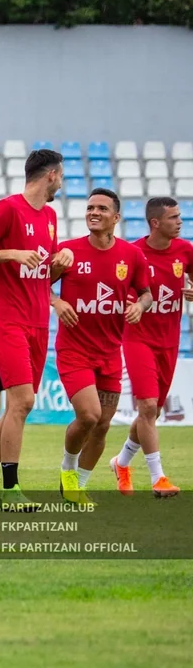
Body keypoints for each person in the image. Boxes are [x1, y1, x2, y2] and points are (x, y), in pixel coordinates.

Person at [0, 149, 72, 509]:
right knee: (22, 402)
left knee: (16, 409)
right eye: (61, 176)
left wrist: (60, 263)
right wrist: (11, 253)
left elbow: (43, 275)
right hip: (7, 319)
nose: (62, 182)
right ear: (52, 175)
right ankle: (10, 488)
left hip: (39, 320)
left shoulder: (51, 216)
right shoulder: (8, 209)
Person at [49, 189, 151, 505]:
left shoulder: (131, 256)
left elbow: (145, 292)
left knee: (103, 425)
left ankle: (78, 485)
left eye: (102, 208)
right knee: (90, 415)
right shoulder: (67, 251)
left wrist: (140, 306)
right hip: (74, 350)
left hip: (110, 352)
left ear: (116, 218)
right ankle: (67, 468)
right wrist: (57, 300)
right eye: (90, 207)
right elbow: (37, 287)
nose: (94, 212)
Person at [113, 196, 190, 497]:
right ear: (155, 223)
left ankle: (121, 463)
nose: (180, 222)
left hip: (170, 341)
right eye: (174, 217)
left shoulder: (186, 251)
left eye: (180, 216)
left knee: (152, 413)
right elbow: (116, 289)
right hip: (138, 339)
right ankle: (159, 479)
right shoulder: (133, 253)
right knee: (146, 407)